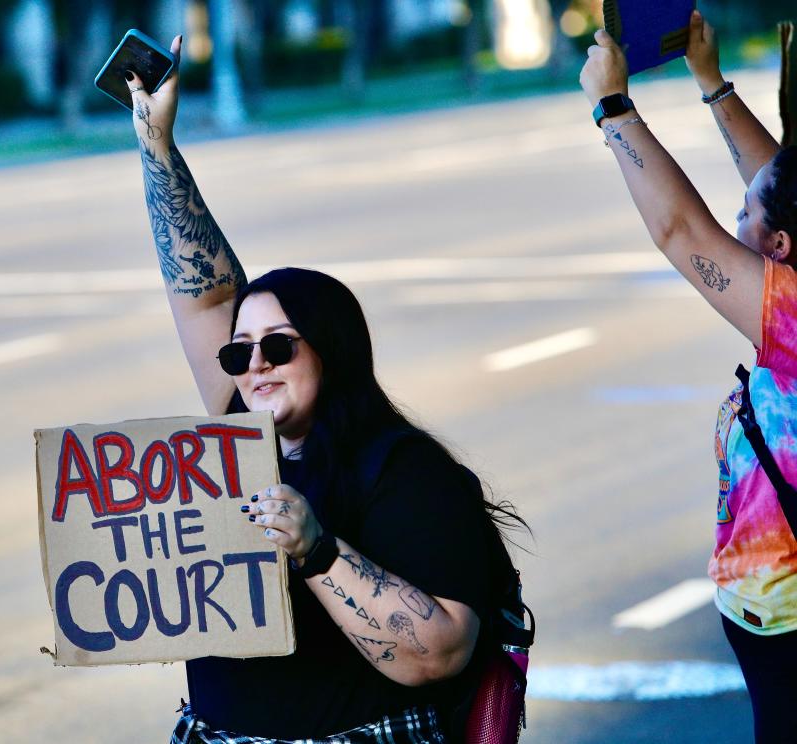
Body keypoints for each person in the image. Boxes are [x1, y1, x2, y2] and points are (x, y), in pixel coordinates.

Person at [124, 36, 526, 743]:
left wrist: (317, 550)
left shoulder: (404, 471)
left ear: (331, 353)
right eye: (239, 351)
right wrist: (157, 147)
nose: (254, 366)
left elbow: (441, 652)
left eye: (278, 346)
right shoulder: (237, 435)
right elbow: (203, 292)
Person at [580, 11, 797, 742]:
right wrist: (710, 83)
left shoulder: (795, 315)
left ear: (781, 245)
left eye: (746, 215)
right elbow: (780, 185)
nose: (738, 223)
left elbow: (682, 233)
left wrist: (613, 110)